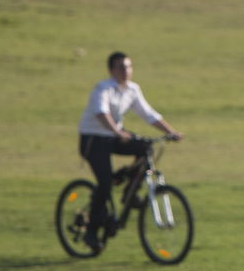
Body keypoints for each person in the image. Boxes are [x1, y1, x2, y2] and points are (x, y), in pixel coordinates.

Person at [77, 52, 183, 252]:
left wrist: (170, 132)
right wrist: (117, 131)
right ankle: (91, 231)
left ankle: (129, 192)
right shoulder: (103, 89)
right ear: (111, 70)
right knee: (105, 184)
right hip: (93, 139)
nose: (126, 71)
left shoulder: (132, 90)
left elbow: (149, 114)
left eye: (128, 67)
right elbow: (101, 113)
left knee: (145, 148)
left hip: (113, 136)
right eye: (121, 67)